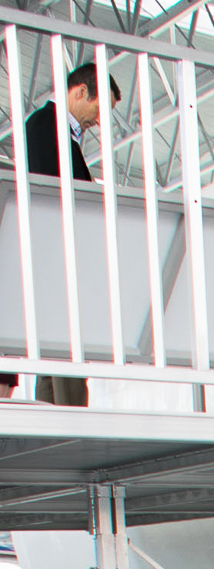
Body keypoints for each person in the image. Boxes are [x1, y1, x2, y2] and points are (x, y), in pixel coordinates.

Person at [24, 62, 123, 409]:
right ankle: (72, 426)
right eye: (99, 109)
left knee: (55, 365)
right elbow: (56, 194)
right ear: (80, 92)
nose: (100, 121)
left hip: (56, 262)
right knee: (66, 357)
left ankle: (56, 426)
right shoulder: (44, 125)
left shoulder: (59, 133)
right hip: (57, 260)